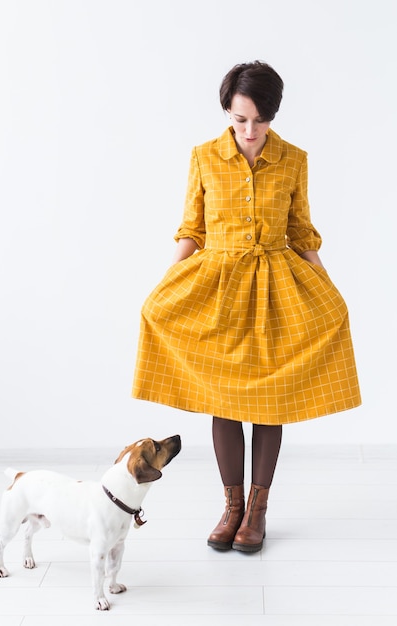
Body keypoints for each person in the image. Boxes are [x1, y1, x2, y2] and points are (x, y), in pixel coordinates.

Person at [132, 60, 361, 553]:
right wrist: (166, 284)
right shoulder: (203, 157)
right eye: (240, 119)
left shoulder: (294, 159)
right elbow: (192, 229)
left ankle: (257, 510)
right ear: (227, 113)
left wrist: (328, 287)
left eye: (260, 119)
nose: (250, 130)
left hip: (277, 291)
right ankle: (231, 507)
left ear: (273, 115)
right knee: (225, 402)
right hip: (218, 293)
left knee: (268, 401)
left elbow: (300, 232)